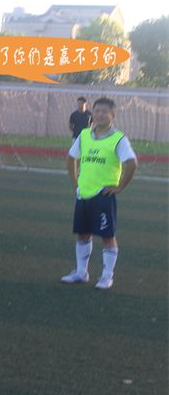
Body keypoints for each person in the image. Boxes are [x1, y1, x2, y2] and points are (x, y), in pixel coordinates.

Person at [61, 97, 137, 290]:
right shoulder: (85, 135)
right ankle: (81, 272)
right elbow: (71, 158)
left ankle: (106, 276)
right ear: (92, 114)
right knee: (82, 234)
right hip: (83, 193)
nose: (99, 114)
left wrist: (120, 186)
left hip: (103, 195)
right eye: (97, 111)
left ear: (112, 115)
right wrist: (75, 184)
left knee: (107, 236)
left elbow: (131, 162)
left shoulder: (118, 139)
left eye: (104, 111)